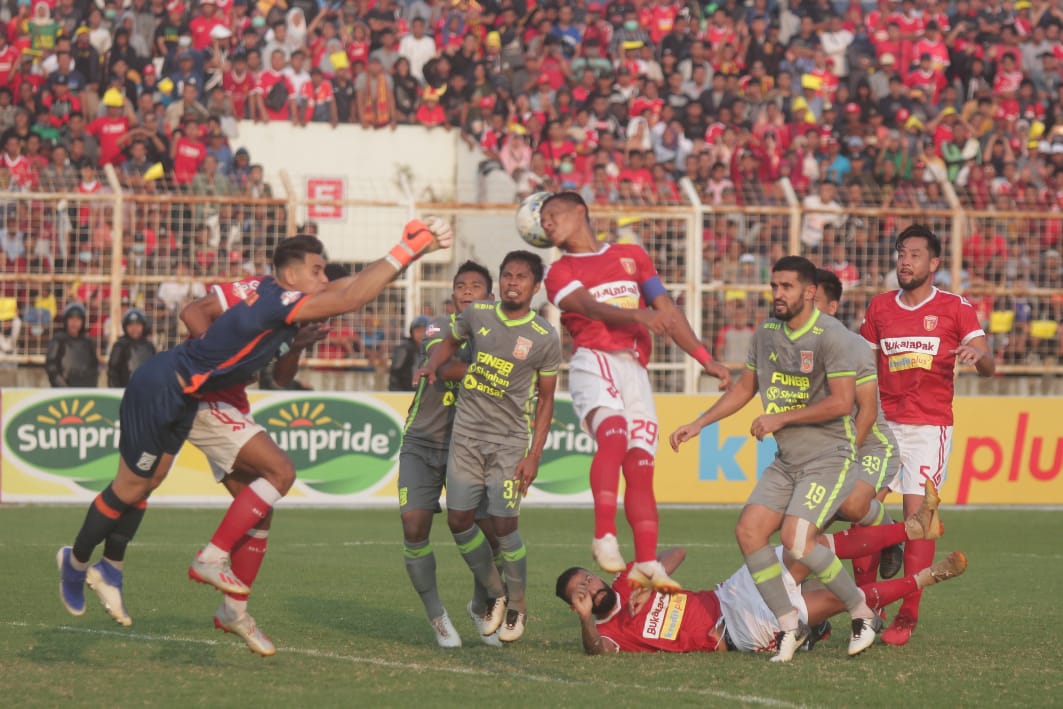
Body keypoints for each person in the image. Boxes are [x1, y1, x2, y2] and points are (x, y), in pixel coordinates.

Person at [56, 220, 454, 633]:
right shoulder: (275, 299)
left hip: (187, 393)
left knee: (149, 480)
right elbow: (351, 295)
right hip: (166, 384)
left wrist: (410, 257)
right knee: (134, 485)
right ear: (290, 274)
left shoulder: (280, 306)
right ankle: (77, 561)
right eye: (317, 269)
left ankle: (114, 569)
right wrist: (410, 247)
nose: (324, 277)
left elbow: (340, 296)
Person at [669, 256, 880, 662]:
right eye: (774, 286)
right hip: (787, 460)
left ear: (809, 292)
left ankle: (862, 612)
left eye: (786, 287)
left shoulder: (831, 336)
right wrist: (700, 423)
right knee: (749, 532)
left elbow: (842, 403)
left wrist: (779, 417)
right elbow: (745, 387)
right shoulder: (766, 333)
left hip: (829, 456)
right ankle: (789, 625)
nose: (778, 294)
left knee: (796, 540)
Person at [539, 191, 731, 591]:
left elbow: (667, 311)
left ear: (581, 211)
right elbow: (589, 309)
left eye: (553, 214)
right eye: (543, 221)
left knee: (642, 464)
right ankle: (604, 535)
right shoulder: (559, 272)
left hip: (635, 370)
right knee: (614, 437)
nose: (548, 224)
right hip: (594, 360)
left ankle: (646, 561)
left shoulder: (632, 256)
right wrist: (637, 314)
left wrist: (704, 358)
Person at [555, 485, 965, 655]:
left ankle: (911, 528)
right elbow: (596, 653)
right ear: (577, 604)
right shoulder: (607, 633)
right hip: (737, 630)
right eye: (581, 591)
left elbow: (676, 553)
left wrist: (648, 577)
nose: (590, 587)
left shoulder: (625, 583)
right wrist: (587, 620)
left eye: (587, 579)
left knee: (805, 543)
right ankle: (929, 577)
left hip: (730, 591)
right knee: (839, 599)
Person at [414, 250, 562, 643]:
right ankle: (496, 593)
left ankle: (518, 604)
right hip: (465, 436)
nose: (513, 282)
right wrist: (433, 365)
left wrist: (534, 455)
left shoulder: (545, 337)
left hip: (509, 443)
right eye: (507, 275)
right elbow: (450, 341)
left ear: (535, 286)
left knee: (504, 525)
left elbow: (546, 400)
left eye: (521, 277)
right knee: (459, 520)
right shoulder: (478, 315)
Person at [859, 224, 994, 645]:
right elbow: (862, 367)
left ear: (933, 263)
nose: (905, 260)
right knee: (858, 508)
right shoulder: (880, 307)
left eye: (915, 254)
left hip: (927, 427)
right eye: (901, 252)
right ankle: (863, 607)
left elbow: (989, 363)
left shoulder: (955, 307)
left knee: (920, 520)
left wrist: (978, 356)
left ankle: (908, 613)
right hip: (881, 425)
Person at [398, 261, 496, 647]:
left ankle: (479, 605)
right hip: (422, 441)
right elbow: (445, 363)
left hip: (472, 446)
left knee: (489, 535)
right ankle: (438, 616)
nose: (467, 291)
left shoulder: (501, 337)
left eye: (476, 285)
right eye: (461, 285)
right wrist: (494, 370)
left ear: (490, 297)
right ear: (453, 294)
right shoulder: (439, 328)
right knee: (414, 527)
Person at [813, 269, 902, 585]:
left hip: (869, 446)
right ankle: (810, 616)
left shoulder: (851, 348)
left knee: (853, 505)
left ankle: (892, 534)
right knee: (798, 534)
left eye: (815, 302)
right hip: (829, 453)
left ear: (833, 308)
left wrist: (844, 459)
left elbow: (866, 412)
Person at [45, 302, 98, 387]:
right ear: (65, 320)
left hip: (85, 390)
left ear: (83, 321)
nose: (74, 322)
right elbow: (51, 367)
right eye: (71, 318)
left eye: (78, 319)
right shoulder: (58, 339)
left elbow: (94, 368)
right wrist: (63, 387)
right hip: (62, 391)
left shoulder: (88, 342)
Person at [106, 308, 156, 387]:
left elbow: (154, 371)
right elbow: (112, 372)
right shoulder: (120, 346)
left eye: (138, 325)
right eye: (131, 325)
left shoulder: (149, 346)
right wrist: (115, 392)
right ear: (125, 327)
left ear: (143, 326)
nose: (134, 328)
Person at [388, 315, 429, 392]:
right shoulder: (404, 349)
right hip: (406, 393)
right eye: (418, 331)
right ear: (412, 332)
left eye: (424, 331)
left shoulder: (434, 350)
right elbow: (394, 377)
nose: (421, 334)